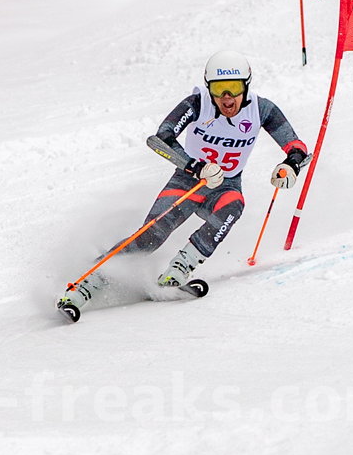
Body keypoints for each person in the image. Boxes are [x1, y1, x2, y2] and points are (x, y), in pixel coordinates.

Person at [66, 52, 309, 307]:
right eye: (219, 89)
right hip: (187, 182)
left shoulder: (261, 109)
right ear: (208, 88)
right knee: (152, 235)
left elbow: (297, 147)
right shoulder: (197, 104)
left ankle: (180, 268)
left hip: (225, 186)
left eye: (234, 88)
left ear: (246, 86)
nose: (227, 97)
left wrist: (290, 166)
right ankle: (88, 282)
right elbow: (160, 139)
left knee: (234, 204)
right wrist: (195, 167)